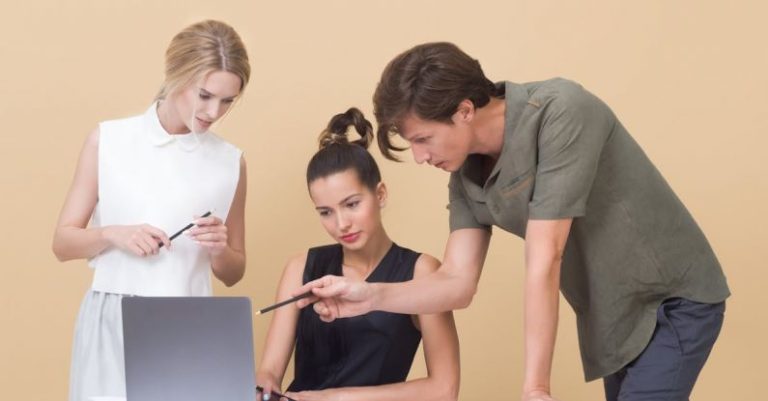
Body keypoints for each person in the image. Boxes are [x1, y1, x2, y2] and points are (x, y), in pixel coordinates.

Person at [296, 42, 730, 401]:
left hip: (671, 301)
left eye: (423, 139)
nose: (421, 157)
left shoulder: (562, 111)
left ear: (464, 110)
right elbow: (457, 284)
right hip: (611, 318)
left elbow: (546, 255)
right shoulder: (464, 170)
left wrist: (535, 387)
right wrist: (368, 295)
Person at [52, 20, 250, 401]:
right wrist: (113, 234)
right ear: (176, 75)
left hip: (190, 326)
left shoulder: (231, 162)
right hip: (113, 319)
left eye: (228, 101)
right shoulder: (109, 140)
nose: (214, 112)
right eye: (205, 95)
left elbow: (234, 273)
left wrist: (219, 249)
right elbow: (62, 243)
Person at [256, 108, 460, 401]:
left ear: (380, 195)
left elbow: (444, 390)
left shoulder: (421, 272)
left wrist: (332, 399)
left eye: (351, 204)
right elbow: (269, 373)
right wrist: (262, 388)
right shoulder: (301, 267)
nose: (341, 224)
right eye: (325, 212)